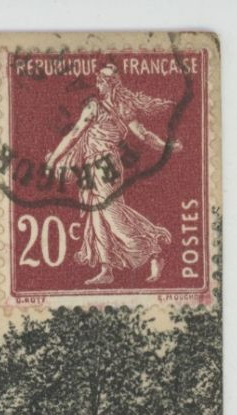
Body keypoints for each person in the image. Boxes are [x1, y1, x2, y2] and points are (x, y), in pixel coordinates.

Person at [43, 63, 180, 285]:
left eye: (100, 81)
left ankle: (154, 250)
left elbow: (76, 134)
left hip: (106, 165)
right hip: (90, 166)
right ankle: (106, 269)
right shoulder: (104, 107)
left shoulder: (103, 108)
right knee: (96, 216)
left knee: (113, 215)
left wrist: (52, 159)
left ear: (109, 85)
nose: (97, 85)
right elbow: (76, 134)